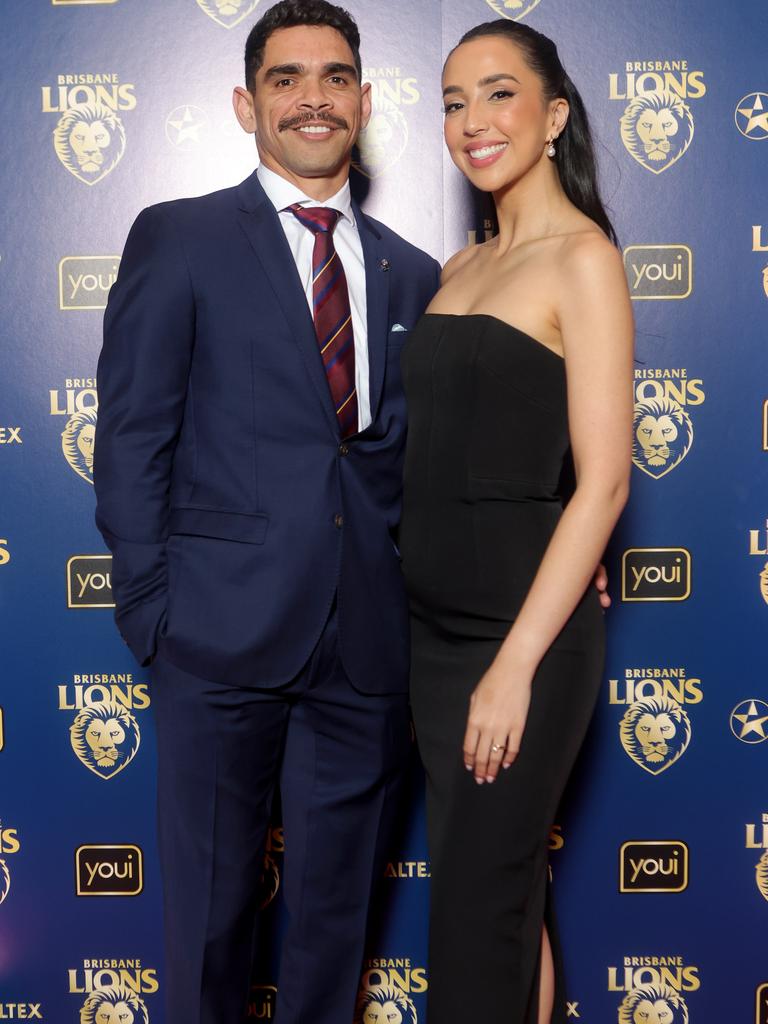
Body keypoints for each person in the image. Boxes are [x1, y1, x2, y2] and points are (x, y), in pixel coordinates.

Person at [92, 3, 440, 1023]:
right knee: (208, 919)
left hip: (366, 647)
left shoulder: (412, 272)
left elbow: (406, 466)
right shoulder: (180, 237)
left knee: (336, 925)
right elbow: (131, 439)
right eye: (287, 78)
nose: (312, 98)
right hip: (214, 634)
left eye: (334, 77)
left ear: (365, 103)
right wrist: (154, 616)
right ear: (249, 103)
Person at [399, 19, 633, 1024]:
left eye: (499, 93)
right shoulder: (460, 267)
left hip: (519, 639)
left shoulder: (584, 259)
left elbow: (605, 482)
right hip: (433, 632)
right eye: (454, 101)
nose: (472, 120)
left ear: (555, 116)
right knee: (500, 896)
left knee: (475, 915)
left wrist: (515, 664)